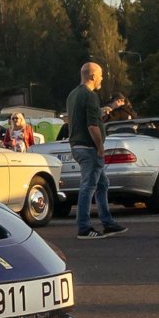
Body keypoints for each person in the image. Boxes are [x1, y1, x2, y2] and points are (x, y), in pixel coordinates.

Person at [67, 63, 127, 239]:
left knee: (102, 184)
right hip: (89, 147)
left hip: (77, 145)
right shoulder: (90, 96)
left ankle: (108, 222)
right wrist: (100, 147)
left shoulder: (73, 94)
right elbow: (92, 125)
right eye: (100, 75)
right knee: (89, 185)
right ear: (92, 76)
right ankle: (84, 227)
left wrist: (100, 114)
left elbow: (79, 119)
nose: (102, 79)